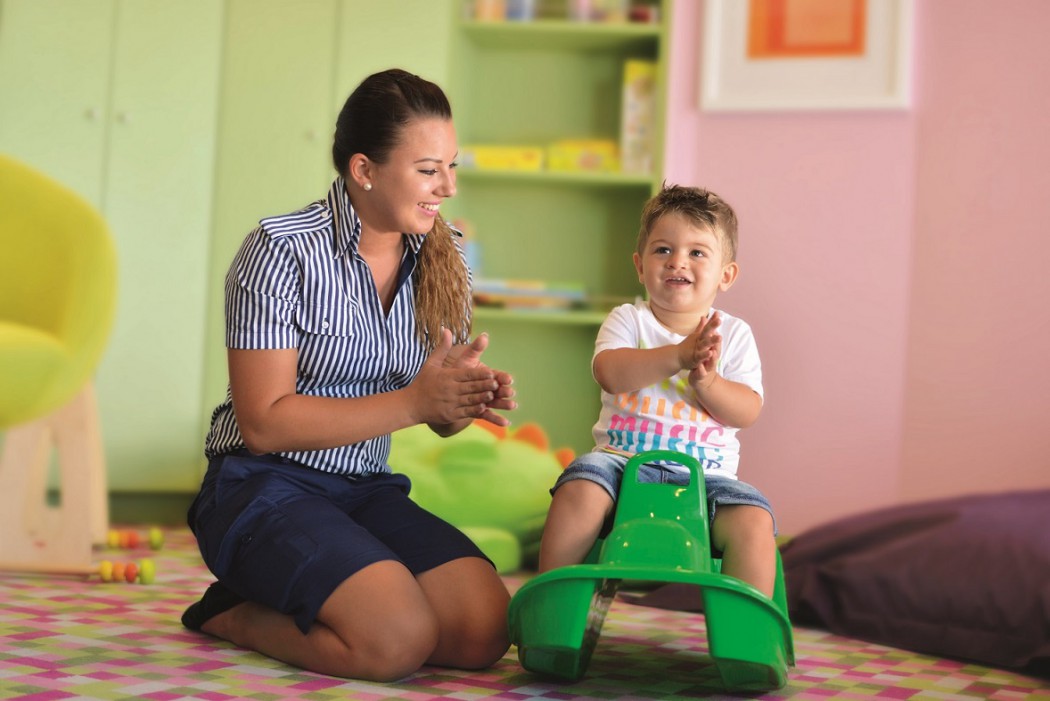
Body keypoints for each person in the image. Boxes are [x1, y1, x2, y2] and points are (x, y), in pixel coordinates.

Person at [181, 68, 517, 682]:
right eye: (427, 169)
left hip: (363, 487)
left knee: (483, 629)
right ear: (364, 170)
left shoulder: (443, 258)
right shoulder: (279, 250)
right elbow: (262, 425)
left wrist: (453, 402)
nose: (447, 187)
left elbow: (423, 410)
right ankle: (232, 614)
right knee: (395, 641)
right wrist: (416, 403)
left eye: (452, 166)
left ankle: (327, 595)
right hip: (260, 486)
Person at [537, 184, 777, 598]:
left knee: (754, 520)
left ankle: (747, 634)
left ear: (727, 274)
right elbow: (609, 372)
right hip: (619, 465)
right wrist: (679, 356)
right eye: (663, 249)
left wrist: (708, 383)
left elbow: (747, 411)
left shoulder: (734, 334)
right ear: (640, 264)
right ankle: (552, 602)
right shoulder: (628, 319)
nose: (677, 262)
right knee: (578, 489)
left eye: (697, 252)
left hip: (708, 478)